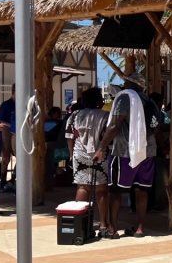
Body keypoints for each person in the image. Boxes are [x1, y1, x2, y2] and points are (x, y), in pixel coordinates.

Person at [93, 73, 161, 238]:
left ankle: (112, 229)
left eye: (126, 81)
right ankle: (139, 228)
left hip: (125, 151)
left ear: (130, 83)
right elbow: (156, 125)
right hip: (147, 150)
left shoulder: (124, 98)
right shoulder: (150, 101)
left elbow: (115, 124)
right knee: (141, 190)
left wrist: (101, 148)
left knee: (115, 190)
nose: (124, 83)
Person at [66, 87, 110, 235]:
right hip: (100, 153)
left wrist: (71, 154)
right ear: (99, 101)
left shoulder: (75, 115)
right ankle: (103, 224)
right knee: (102, 189)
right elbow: (109, 135)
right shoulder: (105, 115)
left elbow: (69, 136)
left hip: (79, 153)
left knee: (82, 187)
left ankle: (79, 224)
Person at [0, 91, 17, 190]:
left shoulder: (21, 103)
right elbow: (0, 120)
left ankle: (13, 179)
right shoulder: (6, 104)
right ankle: (3, 181)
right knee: (6, 156)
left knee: (20, 156)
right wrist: (10, 125)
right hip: (7, 132)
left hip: (17, 133)